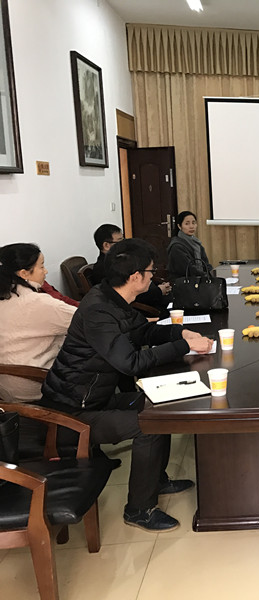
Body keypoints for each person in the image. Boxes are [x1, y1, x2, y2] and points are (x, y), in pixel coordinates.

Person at [39, 238, 215, 532]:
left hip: (94, 398)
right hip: (71, 413)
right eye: (151, 271)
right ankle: (139, 510)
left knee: (161, 407)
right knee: (149, 424)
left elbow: (142, 331)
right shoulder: (99, 311)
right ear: (135, 277)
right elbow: (130, 363)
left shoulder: (111, 298)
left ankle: (156, 479)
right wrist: (183, 347)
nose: (153, 277)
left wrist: (180, 333)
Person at [0, 243, 77, 402]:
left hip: (6, 387)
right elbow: (90, 321)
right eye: (41, 266)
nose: (46, 271)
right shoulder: (37, 302)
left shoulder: (6, 297)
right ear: (24, 273)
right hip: (34, 385)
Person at [92, 223, 171, 309]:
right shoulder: (105, 269)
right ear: (106, 245)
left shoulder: (120, 261)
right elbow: (131, 294)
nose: (124, 245)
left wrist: (159, 286)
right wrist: (159, 291)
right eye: (120, 241)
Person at [167, 211, 213, 281]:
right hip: (183, 282)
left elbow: (206, 264)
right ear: (179, 226)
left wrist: (211, 274)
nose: (191, 226)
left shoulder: (196, 243)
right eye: (187, 223)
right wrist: (205, 276)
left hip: (198, 279)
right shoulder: (176, 246)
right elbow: (188, 269)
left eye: (193, 223)